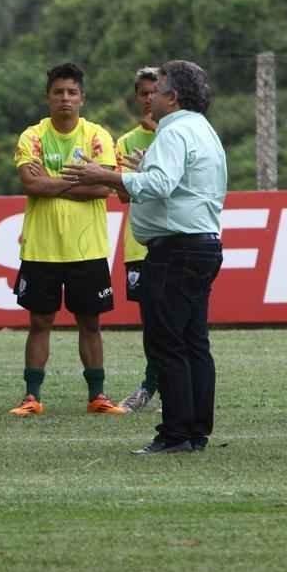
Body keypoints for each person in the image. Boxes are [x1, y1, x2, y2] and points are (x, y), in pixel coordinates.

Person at [63, 60, 226, 454]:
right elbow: (183, 182)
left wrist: (105, 176)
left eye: (159, 89)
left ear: (173, 97)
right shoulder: (204, 130)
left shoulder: (173, 132)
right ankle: (194, 432)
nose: (150, 96)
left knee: (167, 344)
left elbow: (161, 185)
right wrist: (143, 171)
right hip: (203, 243)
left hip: (174, 249)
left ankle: (174, 434)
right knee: (193, 344)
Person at [9, 63, 125, 417]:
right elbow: (31, 185)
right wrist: (78, 181)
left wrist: (53, 181)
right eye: (58, 92)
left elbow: (106, 187)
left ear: (82, 98)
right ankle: (32, 397)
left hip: (86, 248)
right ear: (48, 98)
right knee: (39, 322)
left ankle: (98, 396)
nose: (65, 98)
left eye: (71, 92)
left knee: (90, 322)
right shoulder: (31, 136)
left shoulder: (97, 137)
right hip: (42, 247)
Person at [114, 67, 162, 413]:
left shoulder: (182, 135)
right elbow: (124, 195)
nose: (148, 99)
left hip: (177, 240)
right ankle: (151, 385)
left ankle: (165, 386)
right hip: (140, 244)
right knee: (151, 319)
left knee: (177, 318)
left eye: (154, 92)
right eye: (143, 93)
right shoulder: (126, 142)